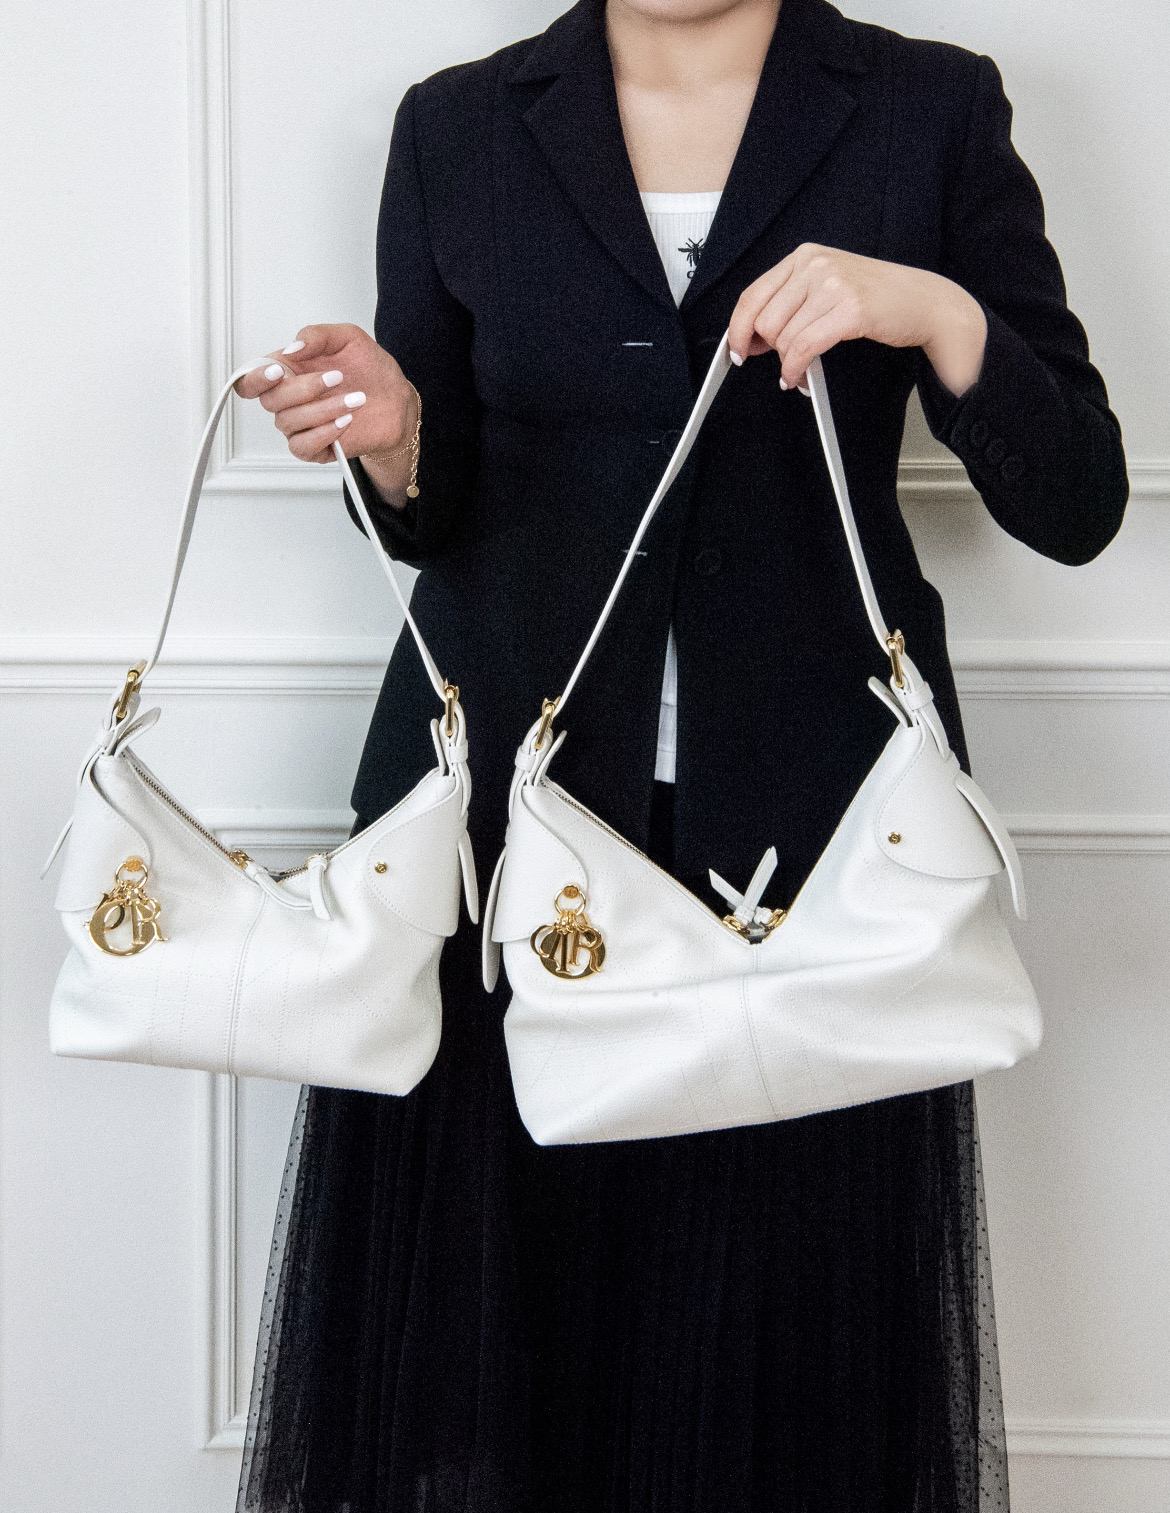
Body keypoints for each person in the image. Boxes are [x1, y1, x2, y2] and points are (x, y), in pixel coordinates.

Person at [234, 1, 1128, 1509]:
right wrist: (391, 437)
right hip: (505, 840)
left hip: (817, 846)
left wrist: (933, 310)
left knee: (783, 1386)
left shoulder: (928, 108)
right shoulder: (458, 122)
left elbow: (1079, 500)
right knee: (506, 1378)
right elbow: (435, 508)